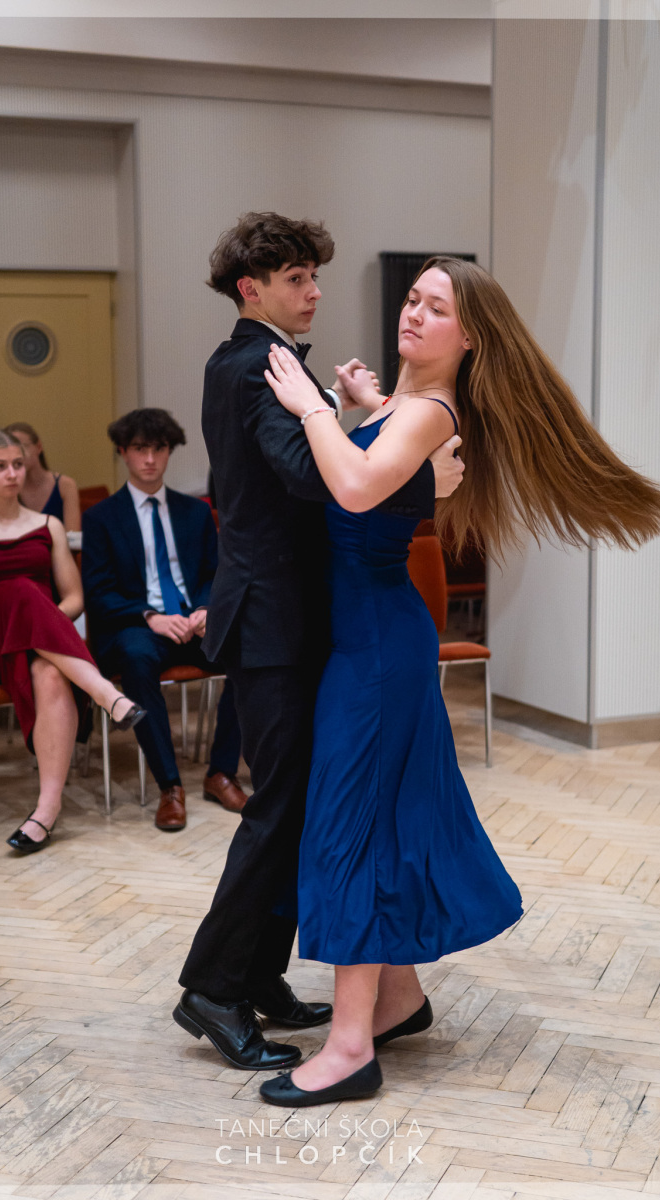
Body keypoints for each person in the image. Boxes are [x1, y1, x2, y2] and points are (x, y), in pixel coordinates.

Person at [255, 256, 660, 1107]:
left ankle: (349, 1049)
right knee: (376, 818)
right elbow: (383, 460)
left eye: (436, 307)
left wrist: (314, 409)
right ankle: (398, 998)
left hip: (377, 651)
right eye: (413, 298)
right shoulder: (408, 407)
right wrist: (361, 404)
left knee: (349, 829)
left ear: (470, 336)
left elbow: (356, 486)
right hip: (373, 641)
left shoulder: (430, 412)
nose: (413, 313)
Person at [172, 212, 463, 1072]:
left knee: (298, 808)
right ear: (250, 288)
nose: (315, 292)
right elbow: (313, 477)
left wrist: (343, 412)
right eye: (297, 279)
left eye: (314, 276)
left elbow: (299, 468)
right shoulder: (259, 365)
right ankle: (213, 988)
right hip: (274, 622)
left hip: (288, 617)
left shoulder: (256, 362)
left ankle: (260, 974)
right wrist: (407, 466)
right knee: (279, 810)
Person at [0, 429, 145, 853]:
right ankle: (103, 691)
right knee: (21, 590)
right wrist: (8, 613)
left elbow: (75, 598)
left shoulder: (48, 525)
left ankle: (45, 810)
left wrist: (36, 625)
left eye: (18, 465)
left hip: (40, 646)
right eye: (0, 466)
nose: (12, 474)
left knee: (49, 671)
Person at [81, 408, 245, 831]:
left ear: (170, 451)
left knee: (246, 650)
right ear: (123, 452)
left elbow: (215, 573)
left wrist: (205, 609)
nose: (150, 459)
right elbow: (98, 593)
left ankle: (221, 772)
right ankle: (170, 786)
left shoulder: (195, 512)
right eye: (140, 449)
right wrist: (150, 615)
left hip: (193, 621)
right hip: (139, 626)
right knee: (136, 658)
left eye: (159, 448)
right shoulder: (101, 518)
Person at [4, 422, 81, 532]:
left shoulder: (65, 485)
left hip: (59, 542)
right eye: (10, 449)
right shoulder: (8, 486)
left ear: (38, 447)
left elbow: (73, 536)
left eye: (23, 447)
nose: (18, 454)